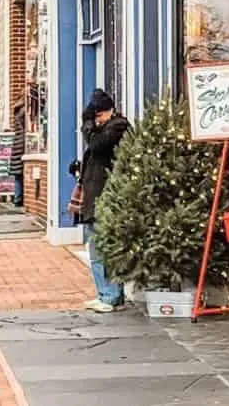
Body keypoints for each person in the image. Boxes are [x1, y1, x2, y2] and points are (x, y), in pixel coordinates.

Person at [73, 88, 130, 313]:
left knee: (101, 251)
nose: (95, 122)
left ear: (106, 112)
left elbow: (96, 146)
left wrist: (87, 124)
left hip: (105, 198)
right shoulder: (106, 129)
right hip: (97, 197)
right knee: (98, 249)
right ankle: (109, 294)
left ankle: (109, 295)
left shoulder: (117, 127)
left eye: (97, 117)